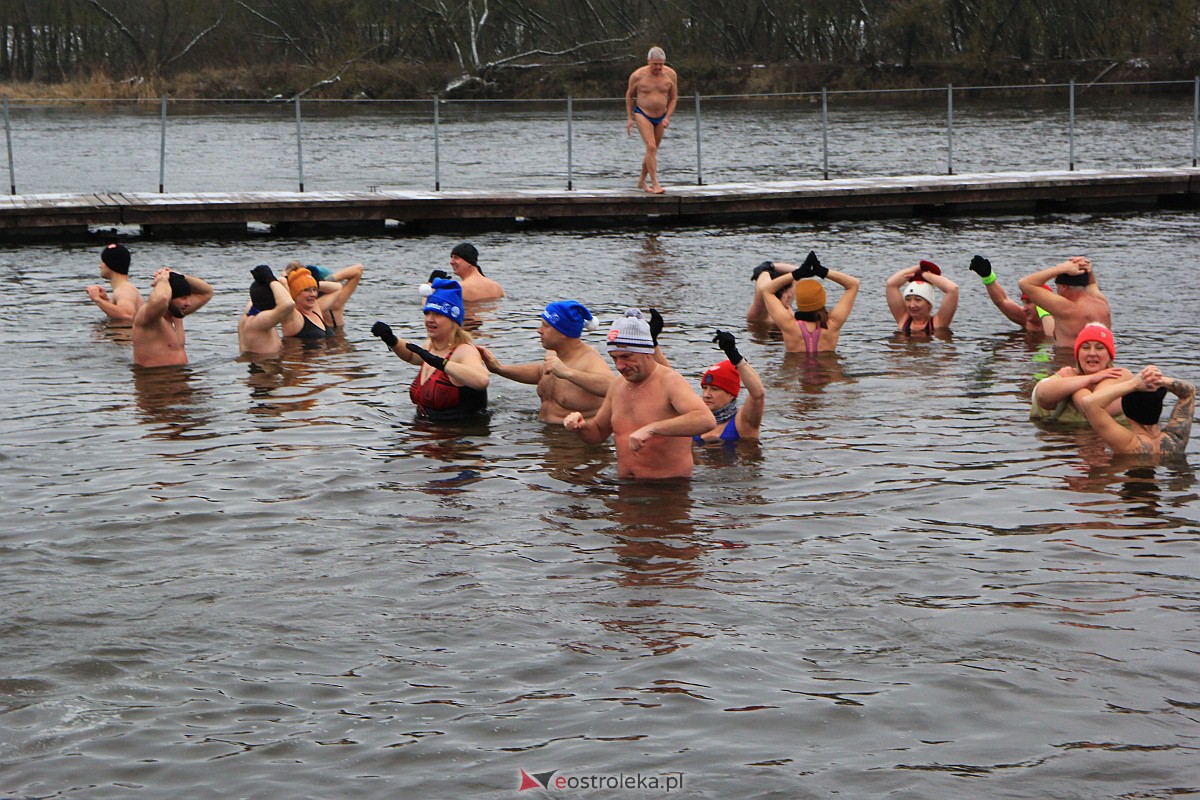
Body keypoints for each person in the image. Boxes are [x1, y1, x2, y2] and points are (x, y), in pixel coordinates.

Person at [563, 309, 716, 479]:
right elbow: (598, 432)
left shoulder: (670, 382)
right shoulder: (617, 386)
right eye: (614, 358)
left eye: (626, 357)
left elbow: (705, 420)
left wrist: (653, 429)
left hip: (669, 490)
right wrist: (580, 426)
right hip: (625, 488)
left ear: (647, 353)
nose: (619, 366)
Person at [370, 277, 490, 421]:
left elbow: (482, 380)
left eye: (438, 314)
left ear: (453, 320)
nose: (429, 319)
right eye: (427, 313)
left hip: (458, 437)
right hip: (425, 433)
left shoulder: (465, 351)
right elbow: (411, 356)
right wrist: (391, 339)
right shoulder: (431, 347)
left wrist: (441, 363)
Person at [478, 300, 615, 423]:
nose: (539, 331)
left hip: (576, 443)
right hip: (545, 436)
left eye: (546, 326)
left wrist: (567, 373)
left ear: (563, 332)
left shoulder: (589, 358)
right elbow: (540, 372)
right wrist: (499, 368)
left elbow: (612, 387)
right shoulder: (553, 352)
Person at [1075, 365, 1194, 458]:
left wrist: (1132, 385)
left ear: (1126, 409)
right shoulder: (1175, 440)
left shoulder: (1126, 443)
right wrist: (1159, 380)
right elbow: (1189, 392)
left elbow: (1089, 403)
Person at [759, 251, 860, 353]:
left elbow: (767, 290)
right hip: (827, 368)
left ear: (799, 302)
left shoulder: (789, 325)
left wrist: (797, 274)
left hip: (796, 368)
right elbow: (853, 284)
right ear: (822, 300)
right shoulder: (833, 324)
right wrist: (823, 271)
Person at [1030, 322, 1130, 423]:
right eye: (1085, 347)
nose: (1092, 353)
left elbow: (1094, 408)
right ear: (1077, 355)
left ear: (1110, 356)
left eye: (1099, 348)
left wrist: (1073, 383)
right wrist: (1087, 379)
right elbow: (1042, 395)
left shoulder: (1120, 375)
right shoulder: (1067, 374)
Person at [1017, 256, 1110, 349]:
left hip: (1068, 360)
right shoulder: (1101, 300)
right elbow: (1092, 283)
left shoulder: (1066, 308)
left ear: (1064, 287)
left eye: (1057, 287)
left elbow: (1024, 283)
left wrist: (1061, 268)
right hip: (1101, 361)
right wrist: (1085, 267)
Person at [131, 267, 214, 368]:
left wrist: (178, 276)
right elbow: (162, 298)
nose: (188, 303)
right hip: (154, 380)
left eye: (188, 297)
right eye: (183, 298)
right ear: (170, 298)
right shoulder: (149, 318)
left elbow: (207, 292)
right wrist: (162, 280)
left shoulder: (177, 314)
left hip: (180, 378)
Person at [694, 331, 765, 444]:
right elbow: (672, 381)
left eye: (715, 389)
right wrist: (655, 345)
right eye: (705, 388)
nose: (706, 394)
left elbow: (758, 394)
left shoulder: (743, 422)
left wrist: (734, 355)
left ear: (731, 394)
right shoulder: (695, 419)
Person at [625, 46, 678, 194]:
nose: (658, 67)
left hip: (661, 115)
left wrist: (667, 117)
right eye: (655, 64)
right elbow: (629, 96)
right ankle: (655, 184)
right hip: (643, 113)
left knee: (652, 151)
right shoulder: (638, 75)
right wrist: (630, 118)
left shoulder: (670, 75)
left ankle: (641, 181)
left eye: (661, 64)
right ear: (648, 61)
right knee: (651, 146)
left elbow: (673, 98)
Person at [967, 255, 1054, 337]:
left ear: (1043, 303)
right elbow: (1001, 301)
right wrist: (988, 277)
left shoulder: (1062, 321)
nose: (1025, 308)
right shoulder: (1026, 319)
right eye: (1024, 303)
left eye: (1029, 302)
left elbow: (1051, 340)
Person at [885, 260, 959, 335]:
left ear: (929, 303)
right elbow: (891, 284)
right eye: (908, 299)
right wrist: (916, 269)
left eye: (918, 300)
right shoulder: (903, 319)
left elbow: (953, 289)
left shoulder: (938, 322)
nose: (912, 305)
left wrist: (924, 274)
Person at [238, 265, 296, 356]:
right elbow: (288, 304)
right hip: (265, 366)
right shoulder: (258, 321)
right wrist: (271, 279)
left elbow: (257, 295)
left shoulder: (248, 315)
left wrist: (278, 281)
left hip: (257, 364)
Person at [287, 261, 363, 329]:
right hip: (338, 339)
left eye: (314, 288)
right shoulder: (337, 300)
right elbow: (358, 269)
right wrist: (329, 280)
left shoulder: (301, 306)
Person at [85, 243, 143, 326]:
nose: (100, 266)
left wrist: (97, 299)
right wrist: (106, 301)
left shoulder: (124, 290)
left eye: (103, 262)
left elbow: (127, 315)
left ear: (110, 265)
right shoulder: (123, 289)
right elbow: (121, 313)